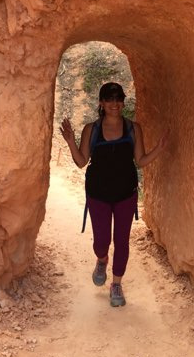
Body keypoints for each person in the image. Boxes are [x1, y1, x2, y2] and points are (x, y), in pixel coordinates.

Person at [60, 82, 168, 307]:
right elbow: (81, 162)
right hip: (98, 193)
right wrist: (71, 142)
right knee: (101, 242)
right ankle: (102, 260)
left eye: (119, 99)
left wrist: (158, 150)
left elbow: (140, 161)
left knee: (121, 241)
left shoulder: (133, 128)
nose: (115, 104)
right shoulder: (92, 129)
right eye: (109, 99)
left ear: (123, 102)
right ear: (101, 103)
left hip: (125, 194)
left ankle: (116, 284)